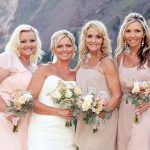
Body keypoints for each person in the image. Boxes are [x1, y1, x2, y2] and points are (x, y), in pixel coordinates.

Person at [74, 20, 122, 150]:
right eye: (90, 36)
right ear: (84, 38)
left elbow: (117, 95)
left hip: (103, 120)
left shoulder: (107, 62)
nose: (93, 40)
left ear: (103, 40)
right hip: (84, 118)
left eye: (98, 36)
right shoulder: (83, 61)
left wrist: (103, 112)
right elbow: (71, 82)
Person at [28, 30, 76, 150]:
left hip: (66, 132)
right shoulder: (44, 69)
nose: (64, 49)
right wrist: (57, 111)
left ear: (73, 48)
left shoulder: (76, 74)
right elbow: (29, 100)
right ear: (53, 49)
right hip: (42, 131)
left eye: (68, 45)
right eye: (60, 46)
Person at [0, 24, 43, 150]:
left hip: (23, 119)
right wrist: (8, 111)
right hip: (4, 116)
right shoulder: (9, 58)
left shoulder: (34, 68)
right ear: (16, 43)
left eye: (32, 40)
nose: (28, 44)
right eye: (23, 41)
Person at [116, 12, 150, 150]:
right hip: (125, 111)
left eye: (137, 31)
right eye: (128, 31)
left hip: (146, 109)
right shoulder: (119, 57)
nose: (133, 35)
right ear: (124, 34)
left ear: (144, 34)